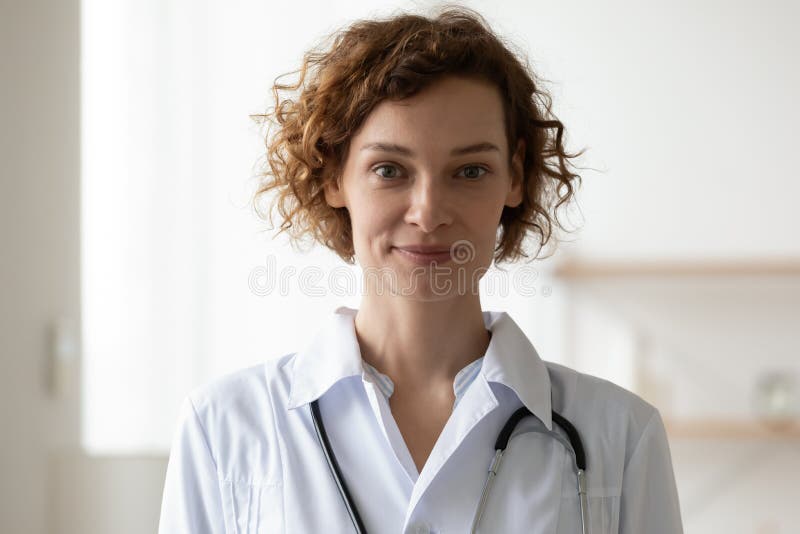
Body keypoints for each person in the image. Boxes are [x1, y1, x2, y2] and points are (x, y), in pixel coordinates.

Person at [158, 6, 683, 533]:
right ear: (334, 176)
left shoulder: (620, 437)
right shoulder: (223, 429)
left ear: (515, 178)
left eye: (470, 170)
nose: (428, 212)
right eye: (389, 170)